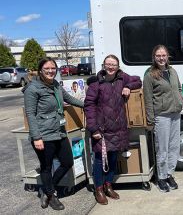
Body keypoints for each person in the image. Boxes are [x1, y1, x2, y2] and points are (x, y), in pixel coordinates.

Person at [23, 57, 84, 210]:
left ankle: (47, 189)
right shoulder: (33, 89)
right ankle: (51, 195)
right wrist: (36, 137)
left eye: (53, 68)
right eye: (47, 69)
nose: (50, 71)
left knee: (67, 162)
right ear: (40, 71)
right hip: (43, 134)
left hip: (59, 131)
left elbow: (69, 98)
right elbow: (30, 114)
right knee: (46, 166)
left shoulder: (56, 84)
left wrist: (88, 104)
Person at [84, 54, 142, 205]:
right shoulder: (95, 84)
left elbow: (138, 81)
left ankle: (108, 185)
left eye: (113, 65)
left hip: (119, 128)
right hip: (101, 129)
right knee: (99, 160)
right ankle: (98, 189)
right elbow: (88, 106)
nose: (111, 67)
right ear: (103, 65)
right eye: (108, 64)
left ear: (117, 67)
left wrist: (128, 86)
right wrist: (93, 129)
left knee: (113, 158)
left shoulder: (122, 79)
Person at [143, 45, 183, 193]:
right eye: (158, 55)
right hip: (161, 116)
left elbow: (178, 88)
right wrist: (150, 119)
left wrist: (181, 99)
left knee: (174, 147)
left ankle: (169, 174)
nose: (161, 58)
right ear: (154, 57)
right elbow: (147, 99)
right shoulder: (149, 74)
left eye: (164, 55)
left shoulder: (172, 71)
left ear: (168, 57)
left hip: (175, 114)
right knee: (162, 148)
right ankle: (160, 177)